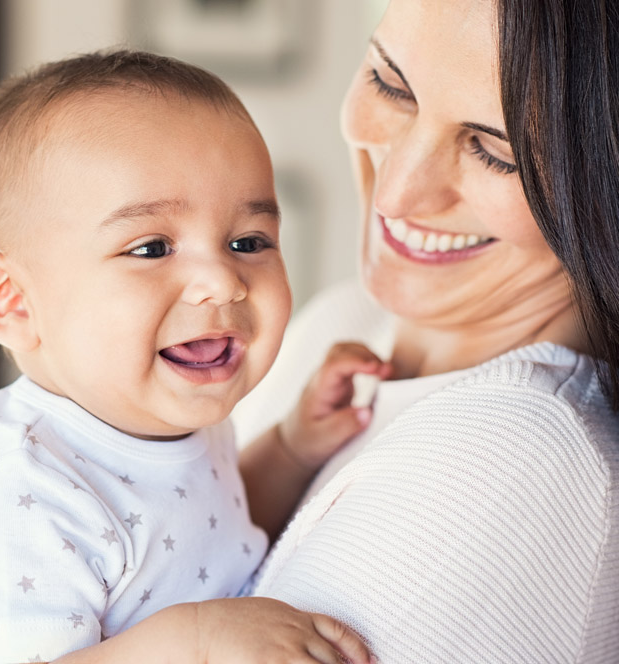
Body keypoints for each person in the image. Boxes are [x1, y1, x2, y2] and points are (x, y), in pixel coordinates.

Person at [39, 0, 619, 662]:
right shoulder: (344, 325)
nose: (396, 193)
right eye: (390, 83)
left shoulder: (515, 457)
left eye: (495, 152)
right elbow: (197, 535)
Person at [0, 50, 384, 664]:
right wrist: (198, 642)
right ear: (13, 302)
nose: (223, 281)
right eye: (152, 247)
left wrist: (294, 447)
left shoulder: (175, 422)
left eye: (248, 241)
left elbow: (207, 533)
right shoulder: (18, 492)